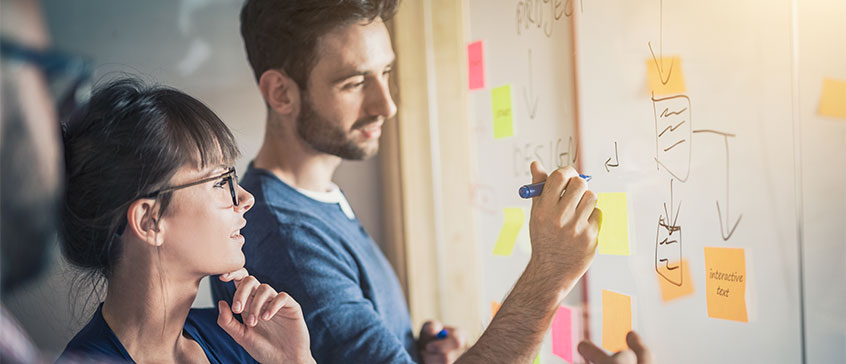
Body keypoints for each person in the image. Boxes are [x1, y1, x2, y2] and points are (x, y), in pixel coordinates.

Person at [211, 1, 653, 363]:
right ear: (281, 93)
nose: (387, 105)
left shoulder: (313, 200)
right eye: (354, 83)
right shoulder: (287, 240)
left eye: (385, 73)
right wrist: (549, 274)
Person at [56, 78, 315, 364]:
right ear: (149, 221)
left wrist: (295, 360)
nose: (245, 198)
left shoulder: (241, 337)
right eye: (220, 182)